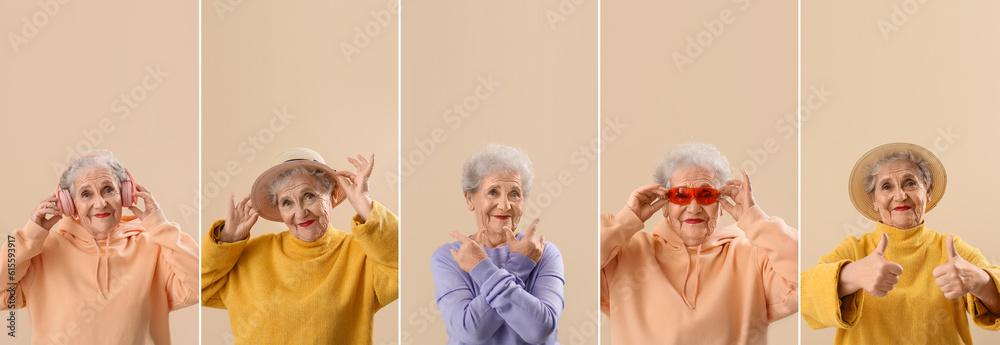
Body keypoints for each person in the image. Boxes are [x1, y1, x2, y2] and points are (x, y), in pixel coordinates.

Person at [801, 142, 1000, 343]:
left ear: (928, 192)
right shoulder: (855, 249)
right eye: (886, 186)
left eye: (910, 183)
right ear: (874, 201)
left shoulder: (951, 248)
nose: (900, 196)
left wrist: (979, 281)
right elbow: (803, 295)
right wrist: (853, 274)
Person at [600, 142, 798, 344]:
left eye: (706, 195)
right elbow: (585, 260)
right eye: (680, 195)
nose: (694, 208)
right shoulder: (626, 256)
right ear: (664, 206)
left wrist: (754, 218)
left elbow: (806, 275)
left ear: (721, 205)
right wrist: (625, 220)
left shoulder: (752, 258)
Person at [201, 147, 399, 344]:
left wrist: (364, 204)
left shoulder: (361, 254)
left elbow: (403, 268)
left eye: (309, 196)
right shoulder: (253, 255)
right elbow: (198, 287)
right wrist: (227, 240)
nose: (301, 213)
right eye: (287, 203)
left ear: (331, 196)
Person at [5, 150, 199, 344]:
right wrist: (30, 236)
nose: (100, 203)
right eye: (86, 194)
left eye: (108, 190)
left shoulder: (153, 247)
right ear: (70, 206)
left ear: (125, 195)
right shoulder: (43, 252)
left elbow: (200, 283)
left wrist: (159, 226)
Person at [431, 143, 565, 344]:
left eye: (514, 193)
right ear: (470, 199)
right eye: (493, 192)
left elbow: (539, 331)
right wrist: (519, 267)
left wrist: (482, 269)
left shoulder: (545, 253)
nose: (504, 205)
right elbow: (471, 332)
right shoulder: (450, 257)